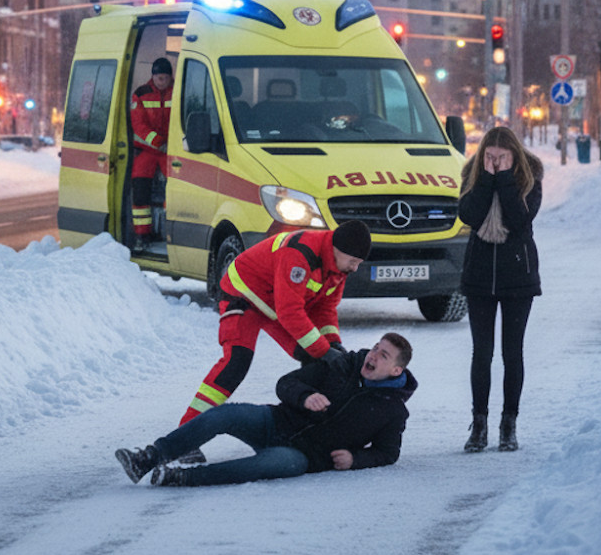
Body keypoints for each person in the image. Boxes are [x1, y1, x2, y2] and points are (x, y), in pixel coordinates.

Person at [173, 220, 371, 464]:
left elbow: (325, 308)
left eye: (358, 263)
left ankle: (307, 430)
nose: (355, 269)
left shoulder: (338, 268)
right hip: (243, 295)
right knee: (236, 364)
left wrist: (332, 343)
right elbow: (290, 312)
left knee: (316, 359)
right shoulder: (301, 254)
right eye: (353, 261)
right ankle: (185, 437)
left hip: (274, 302)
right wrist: (323, 350)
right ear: (336, 249)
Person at [116, 333, 416, 487]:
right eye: (375, 348)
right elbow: (286, 383)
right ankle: (148, 458)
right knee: (224, 414)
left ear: (396, 370)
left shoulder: (393, 410)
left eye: (384, 355)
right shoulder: (342, 364)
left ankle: (182, 478)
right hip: (275, 422)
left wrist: (355, 459)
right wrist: (305, 396)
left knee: (264, 465)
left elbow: (388, 453)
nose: (373, 355)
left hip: (305, 456)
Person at [458, 126, 542, 453]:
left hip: (517, 276)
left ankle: (509, 423)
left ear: (513, 155)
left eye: (501, 157)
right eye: (490, 157)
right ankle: (479, 424)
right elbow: (470, 215)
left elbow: (520, 219)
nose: (494, 162)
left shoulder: (529, 177)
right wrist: (486, 180)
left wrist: (504, 179)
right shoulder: (472, 174)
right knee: (482, 353)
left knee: (512, 353)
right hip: (479, 276)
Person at [129, 57, 174, 252]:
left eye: (165, 78)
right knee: (140, 193)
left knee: (175, 190)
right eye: (158, 77)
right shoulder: (141, 94)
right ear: (152, 76)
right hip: (148, 151)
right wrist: (157, 141)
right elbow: (138, 125)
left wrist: (169, 143)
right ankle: (142, 235)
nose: (161, 81)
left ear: (170, 77)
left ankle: (170, 233)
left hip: (171, 151)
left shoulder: (179, 91)